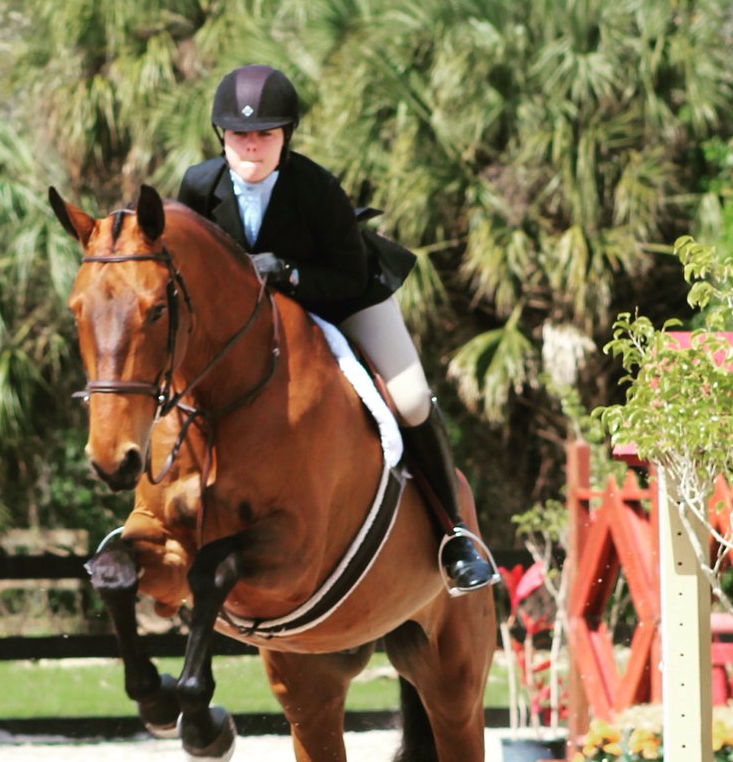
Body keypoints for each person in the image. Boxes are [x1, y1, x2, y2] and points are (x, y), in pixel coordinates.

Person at [177, 63, 497, 595]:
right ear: (222, 136)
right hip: (250, 325)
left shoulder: (316, 187)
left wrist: (287, 272)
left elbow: (348, 276)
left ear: (285, 138)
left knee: (412, 398)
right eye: (240, 134)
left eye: (264, 135)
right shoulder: (197, 186)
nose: (251, 146)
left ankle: (455, 537)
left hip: (342, 297)